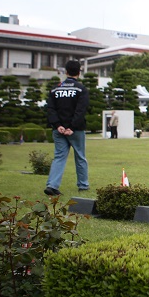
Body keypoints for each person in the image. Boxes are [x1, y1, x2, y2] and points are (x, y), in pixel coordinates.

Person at [45, 60, 90, 195]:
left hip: (58, 129)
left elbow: (50, 109)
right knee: (80, 157)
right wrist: (72, 127)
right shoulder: (81, 89)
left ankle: (52, 185)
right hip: (75, 130)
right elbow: (80, 110)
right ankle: (83, 185)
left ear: (66, 72)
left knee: (59, 157)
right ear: (79, 72)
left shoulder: (55, 89)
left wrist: (58, 125)